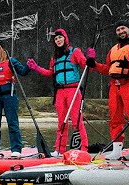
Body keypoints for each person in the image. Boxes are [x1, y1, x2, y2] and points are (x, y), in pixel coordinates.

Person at [86, 20, 129, 161]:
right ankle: (116, 149)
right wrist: (94, 64)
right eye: (118, 30)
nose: (121, 31)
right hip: (114, 86)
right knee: (115, 117)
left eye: (123, 28)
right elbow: (107, 69)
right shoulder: (113, 50)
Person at [27, 28, 89, 156]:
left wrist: (90, 60)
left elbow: (85, 65)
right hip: (60, 92)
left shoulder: (75, 52)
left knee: (77, 120)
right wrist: (36, 68)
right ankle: (59, 150)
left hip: (73, 90)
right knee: (61, 121)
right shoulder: (54, 58)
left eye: (60, 37)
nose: (58, 40)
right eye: (56, 39)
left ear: (65, 38)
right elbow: (51, 73)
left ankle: (84, 148)